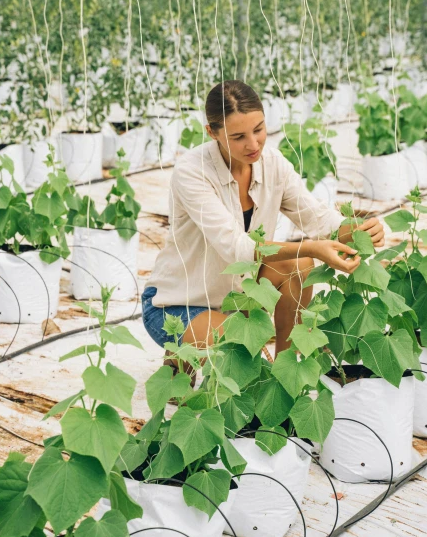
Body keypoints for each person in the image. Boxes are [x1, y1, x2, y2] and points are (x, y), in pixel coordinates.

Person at [142, 80, 384, 363]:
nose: (253, 144)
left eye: (259, 130)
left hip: (238, 299)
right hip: (178, 304)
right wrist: (311, 248)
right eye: (238, 136)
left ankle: (286, 366)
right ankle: (184, 352)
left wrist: (358, 228)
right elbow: (236, 248)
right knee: (245, 360)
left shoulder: (273, 163)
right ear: (212, 132)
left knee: (299, 267)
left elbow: (317, 218)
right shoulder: (192, 172)